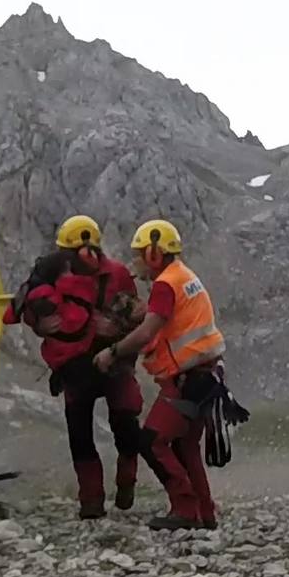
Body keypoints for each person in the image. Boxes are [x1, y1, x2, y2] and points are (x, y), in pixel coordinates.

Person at [5, 215, 143, 518]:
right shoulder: (52, 276)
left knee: (124, 426)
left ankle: (123, 484)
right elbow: (30, 313)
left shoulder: (109, 274)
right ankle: (92, 500)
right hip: (79, 365)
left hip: (109, 360)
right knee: (83, 433)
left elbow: (136, 315)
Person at [93, 218, 227, 530]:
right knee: (184, 445)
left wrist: (112, 352)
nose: (135, 261)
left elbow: (147, 331)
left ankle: (185, 509)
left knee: (152, 440)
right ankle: (204, 513)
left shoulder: (166, 284)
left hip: (187, 379)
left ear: (155, 253)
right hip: (205, 374)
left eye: (139, 253)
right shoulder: (184, 276)